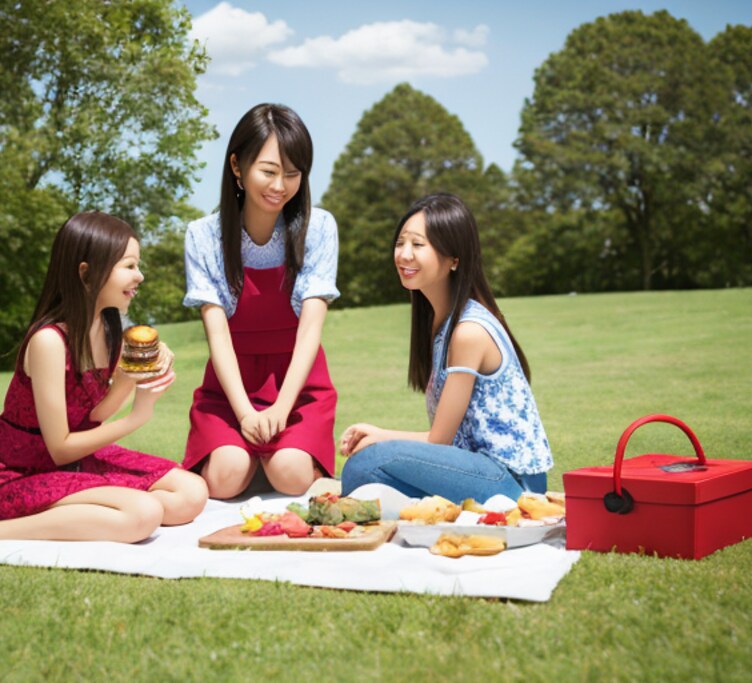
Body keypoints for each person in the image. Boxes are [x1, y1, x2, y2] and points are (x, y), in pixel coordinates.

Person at [0, 212, 208, 547]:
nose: (140, 276)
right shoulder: (48, 341)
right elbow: (59, 448)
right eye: (129, 265)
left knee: (191, 494)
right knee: (142, 515)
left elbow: (95, 416)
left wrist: (132, 377)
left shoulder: (109, 331)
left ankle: (93, 515)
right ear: (86, 273)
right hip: (19, 474)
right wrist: (137, 417)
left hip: (76, 463)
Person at [339, 193, 552, 503]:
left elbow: (439, 440)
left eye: (418, 244)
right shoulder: (440, 324)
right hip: (475, 470)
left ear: (454, 259)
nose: (404, 255)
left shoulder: (468, 331)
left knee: (367, 464)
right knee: (363, 475)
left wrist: (379, 435)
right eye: (401, 243)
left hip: (512, 483)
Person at [182, 103, 339, 499]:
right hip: (230, 385)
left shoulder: (319, 227)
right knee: (224, 478)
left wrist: (281, 409)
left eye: (292, 173)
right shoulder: (203, 236)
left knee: (291, 475)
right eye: (268, 171)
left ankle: (277, 458)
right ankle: (247, 457)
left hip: (298, 385)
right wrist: (245, 414)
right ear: (237, 166)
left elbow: (310, 333)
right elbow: (217, 338)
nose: (280, 186)